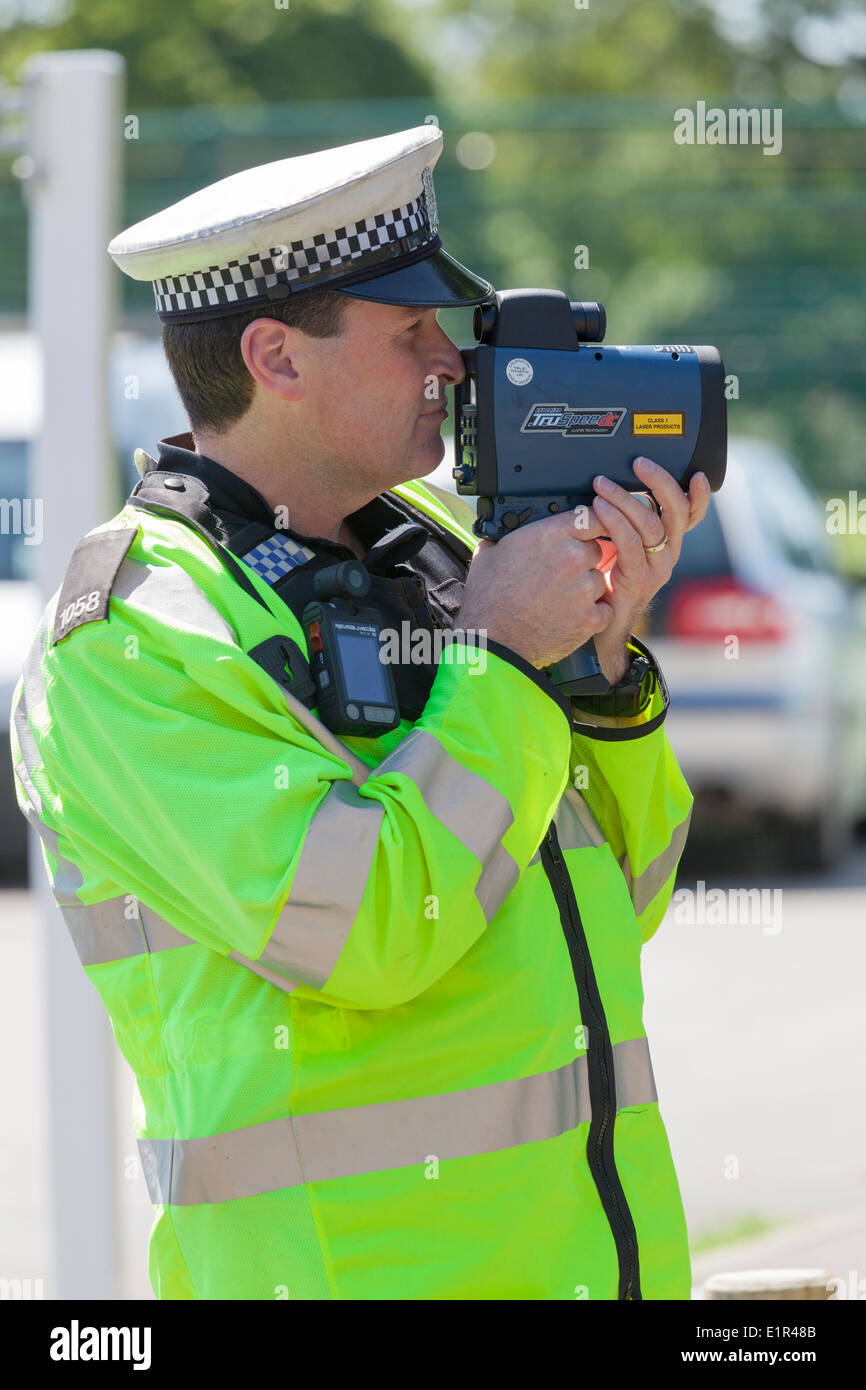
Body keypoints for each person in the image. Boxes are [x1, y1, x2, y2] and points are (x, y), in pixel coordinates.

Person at [10, 124, 711, 1300]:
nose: (450, 360)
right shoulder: (134, 638)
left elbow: (609, 908)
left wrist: (591, 672)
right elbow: (364, 934)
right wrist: (497, 656)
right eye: (409, 333)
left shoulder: (439, 555)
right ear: (276, 358)